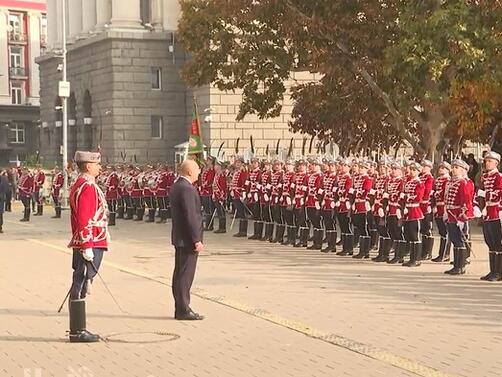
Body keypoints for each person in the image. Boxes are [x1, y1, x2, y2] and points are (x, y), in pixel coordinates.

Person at [67, 151, 109, 343]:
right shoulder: (88, 186)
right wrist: (86, 244)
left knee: (81, 282)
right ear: (89, 166)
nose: (100, 167)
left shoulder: (81, 184)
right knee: (80, 282)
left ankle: (79, 328)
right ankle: (77, 330)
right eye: (97, 164)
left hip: (90, 239)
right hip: (90, 241)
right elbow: (84, 218)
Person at [170, 159, 204, 321]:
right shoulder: (186, 189)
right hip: (187, 239)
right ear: (190, 171)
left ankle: (180, 307)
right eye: (197, 168)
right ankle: (183, 309)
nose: (199, 171)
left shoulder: (178, 185)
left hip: (180, 237)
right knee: (185, 275)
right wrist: (196, 239)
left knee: (179, 273)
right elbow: (191, 216)